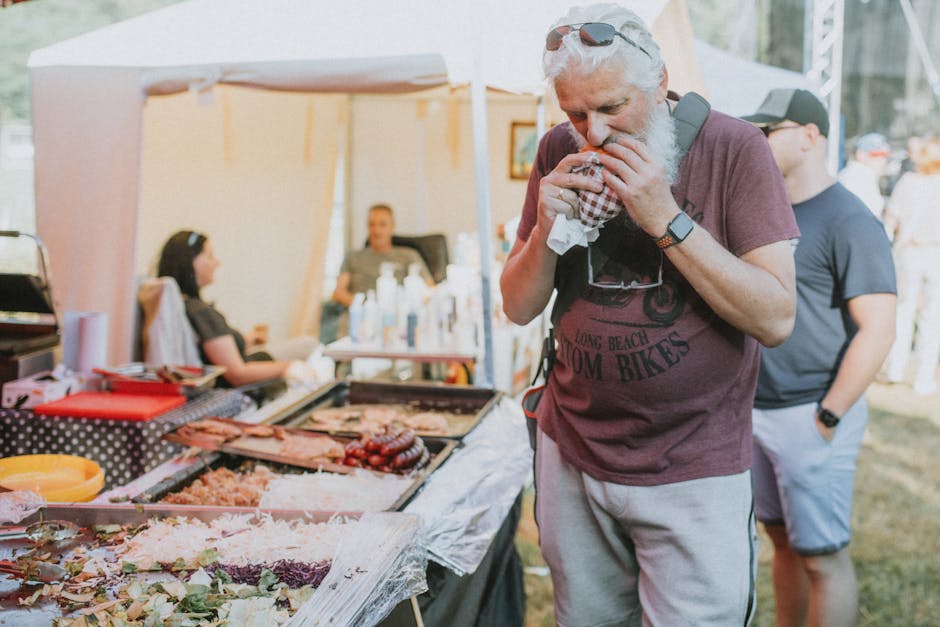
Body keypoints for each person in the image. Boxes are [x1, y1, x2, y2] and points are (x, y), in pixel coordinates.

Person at [499, 4, 799, 625]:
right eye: (576, 112)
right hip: (574, 449)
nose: (596, 132)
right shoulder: (560, 146)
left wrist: (664, 216)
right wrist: (544, 231)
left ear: (659, 82)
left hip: (694, 462)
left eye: (612, 108)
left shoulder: (734, 147)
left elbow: (775, 317)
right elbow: (517, 305)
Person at [744, 89, 897, 627]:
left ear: (810, 136)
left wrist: (828, 416)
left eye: (770, 130)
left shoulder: (849, 219)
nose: (757, 140)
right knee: (782, 545)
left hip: (811, 413)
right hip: (756, 411)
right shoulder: (766, 209)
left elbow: (877, 330)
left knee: (824, 558)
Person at [157, 230, 320, 388]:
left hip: (247, 357)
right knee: (308, 344)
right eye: (210, 256)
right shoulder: (200, 312)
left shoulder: (186, 305)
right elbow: (237, 374)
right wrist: (289, 366)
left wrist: (248, 339)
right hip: (246, 369)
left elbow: (219, 349)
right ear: (190, 261)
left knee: (305, 344)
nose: (217, 263)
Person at [882, 136, 940, 394]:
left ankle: (896, 367)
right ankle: (923, 377)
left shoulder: (908, 183)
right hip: (934, 253)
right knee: (932, 316)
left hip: (908, 252)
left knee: (903, 310)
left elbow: (891, 217)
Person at [330, 204, 433, 308]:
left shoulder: (409, 255)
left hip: (396, 315)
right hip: (358, 314)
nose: (376, 230)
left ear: (392, 226)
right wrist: (366, 307)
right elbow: (338, 293)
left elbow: (430, 289)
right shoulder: (352, 257)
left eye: (382, 224)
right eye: (372, 224)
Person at [838, 132, 891, 219]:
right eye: (876, 155)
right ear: (860, 155)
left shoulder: (860, 175)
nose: (882, 160)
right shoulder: (858, 178)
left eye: (884, 156)